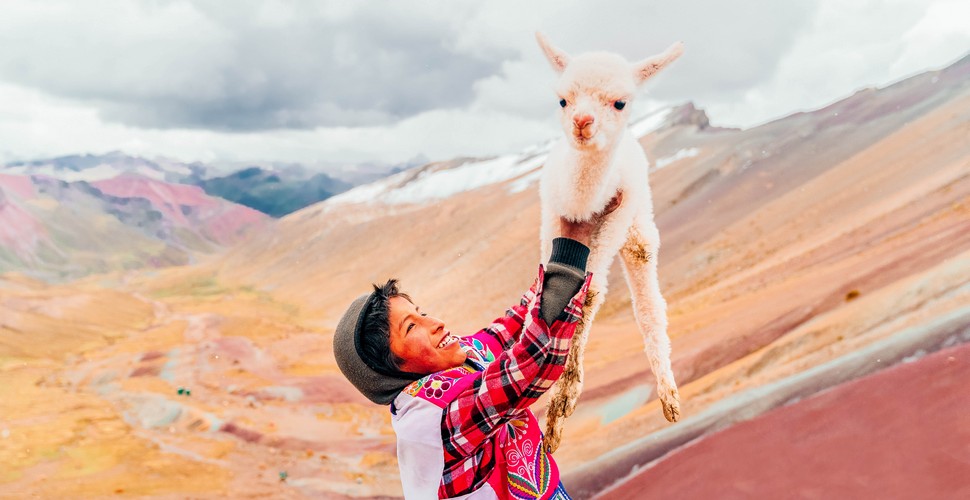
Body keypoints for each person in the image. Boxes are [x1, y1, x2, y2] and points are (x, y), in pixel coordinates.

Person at [333, 193, 622, 499]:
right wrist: (575, 236)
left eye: (422, 312)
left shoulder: (456, 362)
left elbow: (517, 323)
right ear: (388, 367)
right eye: (412, 327)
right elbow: (530, 368)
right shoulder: (430, 417)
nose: (437, 324)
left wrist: (575, 233)